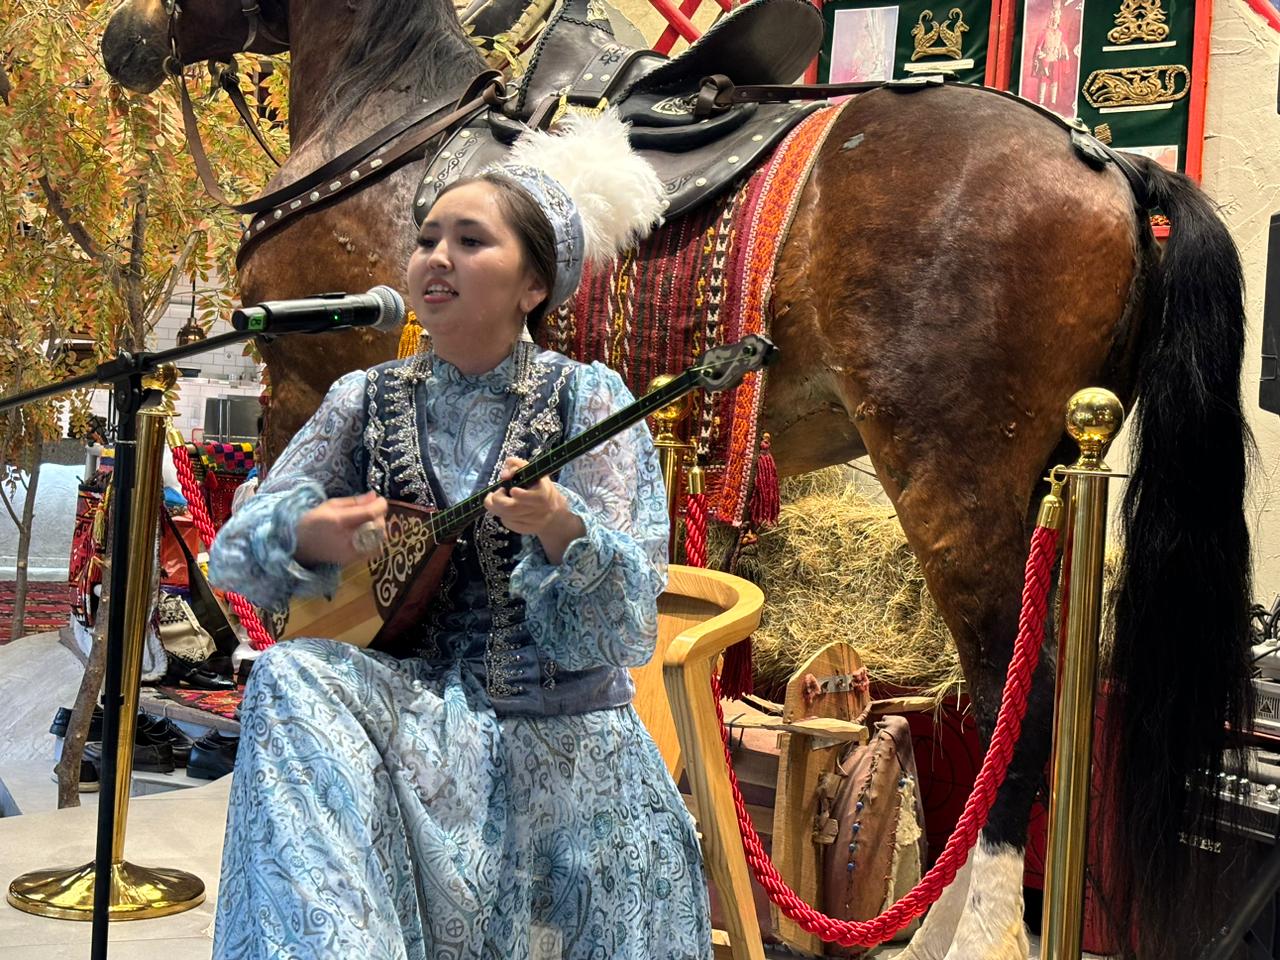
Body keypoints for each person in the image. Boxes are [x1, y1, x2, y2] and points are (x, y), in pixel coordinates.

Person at [207, 112, 712, 959]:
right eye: (427, 239)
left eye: (471, 241)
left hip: (554, 733)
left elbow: (625, 626)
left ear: (533, 287)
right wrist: (309, 530)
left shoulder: (588, 399)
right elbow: (235, 550)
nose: (436, 257)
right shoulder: (366, 398)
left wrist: (560, 527)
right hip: (413, 714)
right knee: (288, 675)